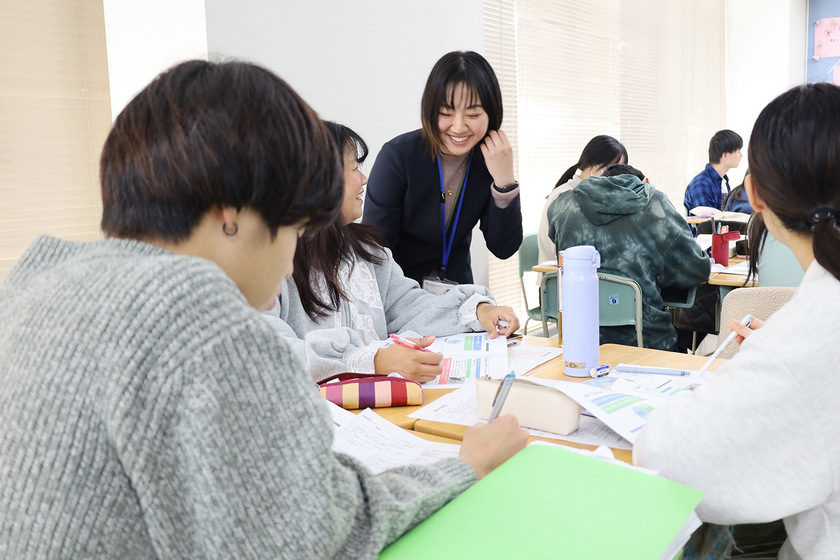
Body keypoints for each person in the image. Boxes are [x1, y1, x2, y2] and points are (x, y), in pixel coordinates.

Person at [0, 60, 529, 559]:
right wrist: (465, 466)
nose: (296, 246)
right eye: (295, 223)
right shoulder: (203, 325)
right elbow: (310, 531)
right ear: (232, 214)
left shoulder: (36, 285)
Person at [635, 82, 840, 559]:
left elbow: (668, 458)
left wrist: (781, 359)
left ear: (755, 193)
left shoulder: (808, 337)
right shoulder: (810, 333)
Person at [264, 121, 519, 382]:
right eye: (354, 168)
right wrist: (373, 361)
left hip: (381, 402)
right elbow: (265, 352)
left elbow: (412, 307)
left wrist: (478, 311)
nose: (364, 179)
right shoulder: (267, 264)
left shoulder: (369, 253)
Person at [362, 50, 522, 287]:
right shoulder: (398, 156)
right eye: (446, 113)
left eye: (473, 114)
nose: (458, 127)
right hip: (399, 294)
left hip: (458, 296)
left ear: (491, 113)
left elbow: (504, 248)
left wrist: (504, 182)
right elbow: (376, 251)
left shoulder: (490, 160)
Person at [547, 163, 710, 350]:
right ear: (645, 182)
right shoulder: (655, 204)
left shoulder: (563, 205)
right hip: (644, 340)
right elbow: (696, 270)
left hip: (577, 340)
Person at [537, 135, 627, 263]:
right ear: (590, 165)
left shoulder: (594, 195)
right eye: (611, 169)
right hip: (558, 274)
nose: (615, 177)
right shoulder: (565, 198)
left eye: (620, 172)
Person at [683, 129, 744, 214]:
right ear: (725, 155)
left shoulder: (723, 182)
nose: (741, 155)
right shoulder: (702, 184)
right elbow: (706, 221)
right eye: (738, 152)